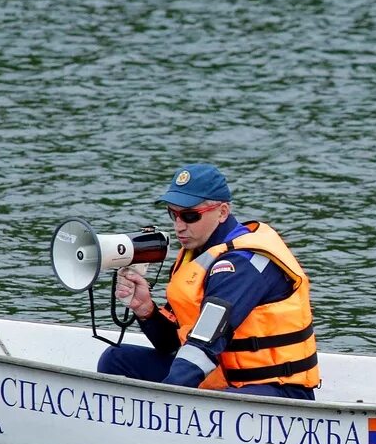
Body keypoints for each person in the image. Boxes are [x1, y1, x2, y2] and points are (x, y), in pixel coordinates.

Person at [97, 163, 319, 399]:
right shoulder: (195, 254)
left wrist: (163, 397)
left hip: (277, 390)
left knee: (185, 379)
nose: (179, 225)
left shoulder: (242, 264)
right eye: (173, 214)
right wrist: (146, 310)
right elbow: (174, 345)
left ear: (222, 212)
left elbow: (206, 341)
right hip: (220, 377)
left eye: (190, 216)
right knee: (116, 360)